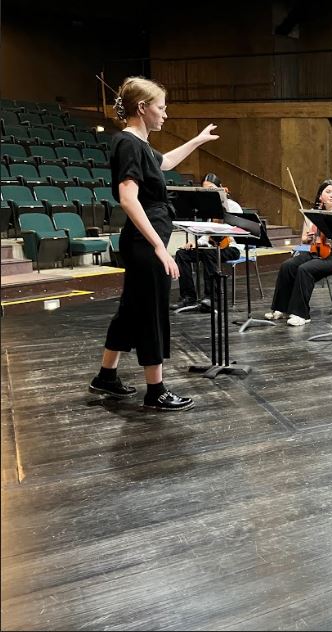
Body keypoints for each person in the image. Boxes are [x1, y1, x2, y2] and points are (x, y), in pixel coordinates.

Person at [88, 76, 219, 411]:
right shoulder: (128, 143)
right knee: (151, 312)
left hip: (145, 241)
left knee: (131, 309)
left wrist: (198, 140)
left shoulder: (140, 145)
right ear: (143, 108)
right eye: (161, 107)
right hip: (145, 243)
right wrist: (160, 248)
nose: (165, 114)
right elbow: (128, 198)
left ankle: (106, 376)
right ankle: (156, 390)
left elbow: (167, 163)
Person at [265, 179, 332, 326]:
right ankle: (281, 308)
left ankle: (301, 314)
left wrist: (330, 232)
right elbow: (304, 239)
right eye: (328, 192)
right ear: (320, 195)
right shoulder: (313, 214)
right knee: (287, 266)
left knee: (305, 269)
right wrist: (310, 236)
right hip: (317, 251)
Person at [170, 173, 244, 312]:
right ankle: (188, 296)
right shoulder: (210, 208)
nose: (208, 192)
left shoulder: (234, 207)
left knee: (209, 254)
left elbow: (239, 233)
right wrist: (195, 243)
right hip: (212, 247)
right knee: (182, 254)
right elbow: (207, 234)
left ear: (220, 188)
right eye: (206, 190)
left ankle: (212, 299)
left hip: (232, 248)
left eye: (211, 188)